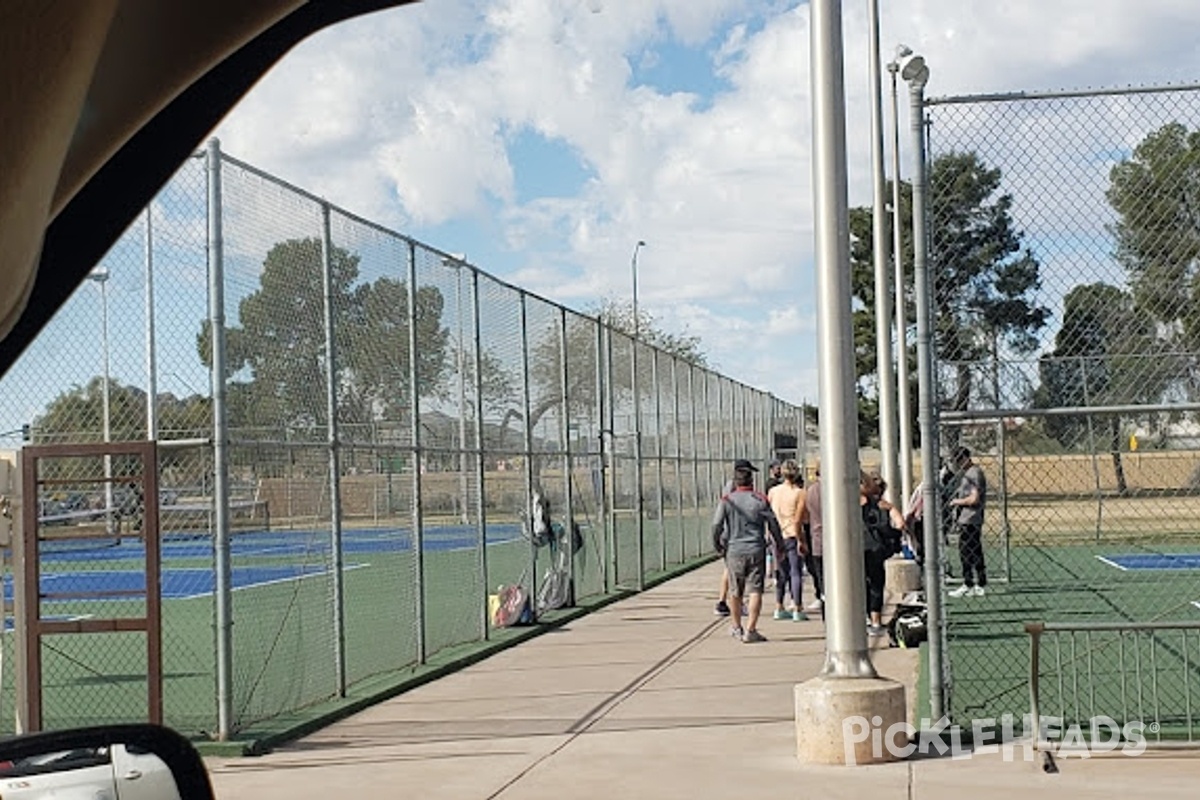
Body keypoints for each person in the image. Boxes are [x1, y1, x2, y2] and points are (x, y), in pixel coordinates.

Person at [712, 458, 783, 643]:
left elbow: (716, 524)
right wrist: (779, 545)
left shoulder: (727, 501)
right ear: (751, 481)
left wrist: (718, 544)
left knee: (735, 591)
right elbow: (773, 524)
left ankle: (736, 626)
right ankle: (751, 629)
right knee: (755, 590)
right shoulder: (760, 499)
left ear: (736, 482)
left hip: (734, 550)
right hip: (756, 548)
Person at [861, 470, 905, 636]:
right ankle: (876, 621)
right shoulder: (885, 506)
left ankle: (863, 618)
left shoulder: (858, 503)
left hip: (859, 548)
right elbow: (900, 524)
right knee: (876, 585)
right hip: (877, 549)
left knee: (861, 585)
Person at [767, 459, 808, 621]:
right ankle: (797, 607)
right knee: (795, 571)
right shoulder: (799, 493)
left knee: (781, 572)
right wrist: (801, 539)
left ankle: (779, 605)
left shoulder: (773, 492)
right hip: (791, 533)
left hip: (776, 535)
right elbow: (798, 519)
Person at [947, 446, 988, 597]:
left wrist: (957, 501)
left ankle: (970, 582)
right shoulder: (967, 474)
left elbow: (974, 498)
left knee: (967, 552)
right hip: (966, 518)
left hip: (971, 518)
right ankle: (976, 582)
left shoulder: (974, 473)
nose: (957, 464)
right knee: (973, 551)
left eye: (958, 460)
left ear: (965, 458)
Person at [803, 468, 824, 616]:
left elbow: (803, 517)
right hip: (841, 543)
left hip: (817, 540)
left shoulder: (809, 492)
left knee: (820, 576)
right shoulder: (841, 487)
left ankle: (822, 600)